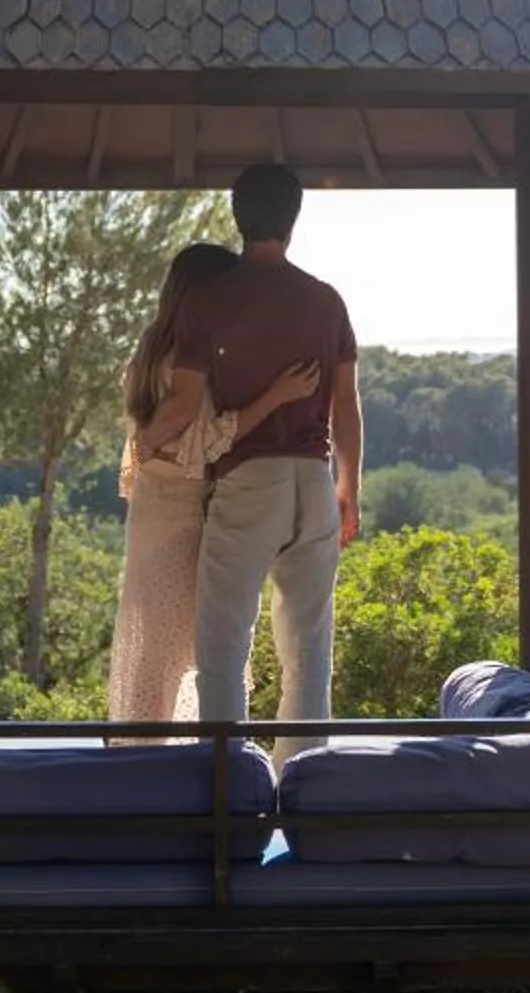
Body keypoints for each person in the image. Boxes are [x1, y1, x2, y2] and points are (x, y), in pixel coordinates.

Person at [159, 164, 363, 751]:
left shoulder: (209, 299)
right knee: (308, 649)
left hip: (250, 481)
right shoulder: (327, 302)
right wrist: (349, 487)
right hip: (314, 481)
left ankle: (230, 794)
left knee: (223, 646)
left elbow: (183, 402)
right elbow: (345, 406)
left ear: (236, 215)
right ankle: (301, 787)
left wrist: (147, 440)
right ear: (293, 219)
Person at [112, 243, 320, 725]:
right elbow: (205, 437)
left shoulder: (153, 344)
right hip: (180, 508)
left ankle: (146, 753)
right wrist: (278, 396)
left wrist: (146, 444)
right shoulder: (188, 352)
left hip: (158, 503)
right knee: (190, 641)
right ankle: (163, 759)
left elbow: (157, 437)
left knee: (161, 638)